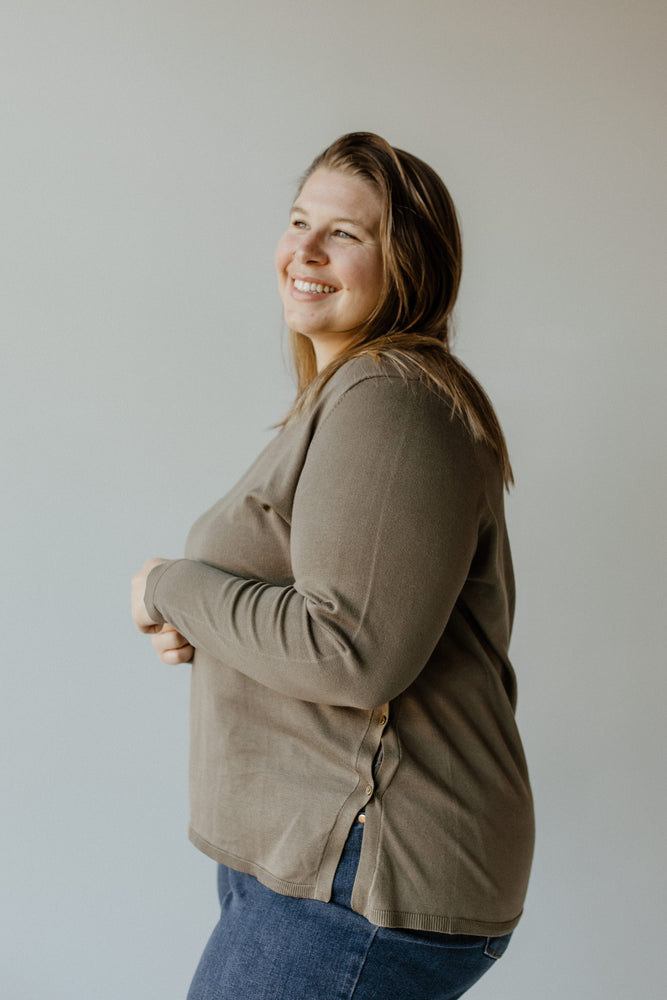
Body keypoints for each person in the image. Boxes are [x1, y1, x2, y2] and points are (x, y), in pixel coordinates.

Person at [131, 132, 534, 1000]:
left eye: (345, 234)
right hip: (312, 858)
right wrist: (208, 624)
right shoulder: (351, 396)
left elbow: (350, 651)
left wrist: (173, 587)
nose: (305, 251)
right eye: (298, 220)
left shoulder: (389, 397)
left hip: (359, 872)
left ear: (410, 264)